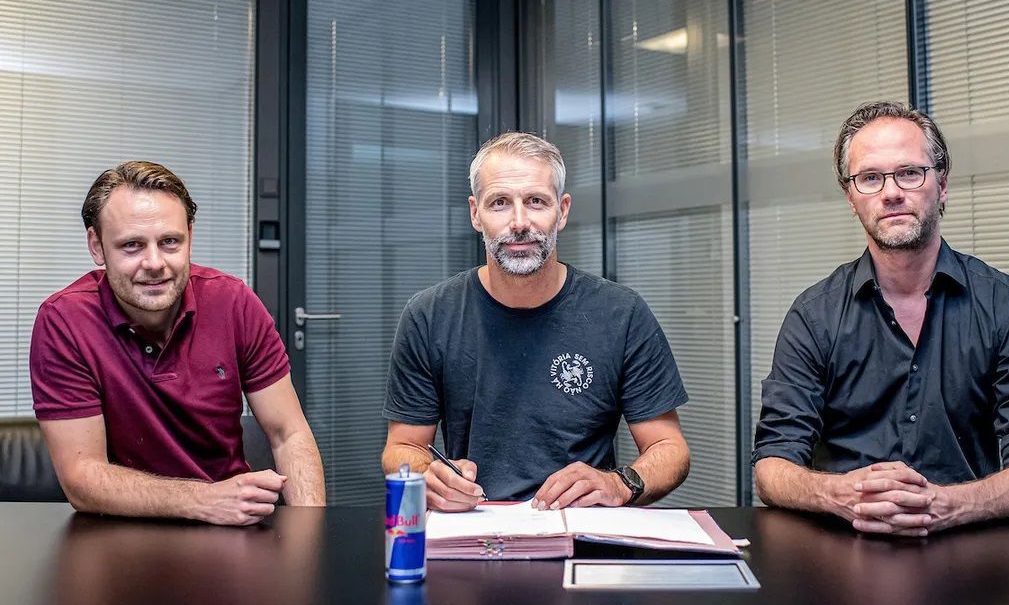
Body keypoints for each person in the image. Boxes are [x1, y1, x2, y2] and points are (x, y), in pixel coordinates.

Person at [753, 101, 1009, 536]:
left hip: (970, 547)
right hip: (843, 548)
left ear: (942, 185)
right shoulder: (813, 316)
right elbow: (772, 465)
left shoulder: (1008, 306)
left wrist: (947, 505)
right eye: (870, 178)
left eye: (909, 172)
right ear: (851, 198)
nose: (891, 192)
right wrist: (841, 494)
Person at [381, 132, 691, 512]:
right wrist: (427, 475)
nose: (519, 222)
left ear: (562, 210)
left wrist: (619, 483)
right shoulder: (429, 316)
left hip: (581, 526)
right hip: (473, 524)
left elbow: (669, 448)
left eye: (536, 201)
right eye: (499, 203)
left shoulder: (621, 314)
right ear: (475, 214)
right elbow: (402, 447)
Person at [31, 161, 325, 525]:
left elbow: (289, 434)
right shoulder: (64, 320)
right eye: (132, 245)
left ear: (190, 236)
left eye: (170, 242)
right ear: (97, 246)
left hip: (231, 525)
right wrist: (204, 499)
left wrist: (311, 536)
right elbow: (82, 477)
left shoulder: (233, 302)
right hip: (119, 530)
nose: (154, 263)